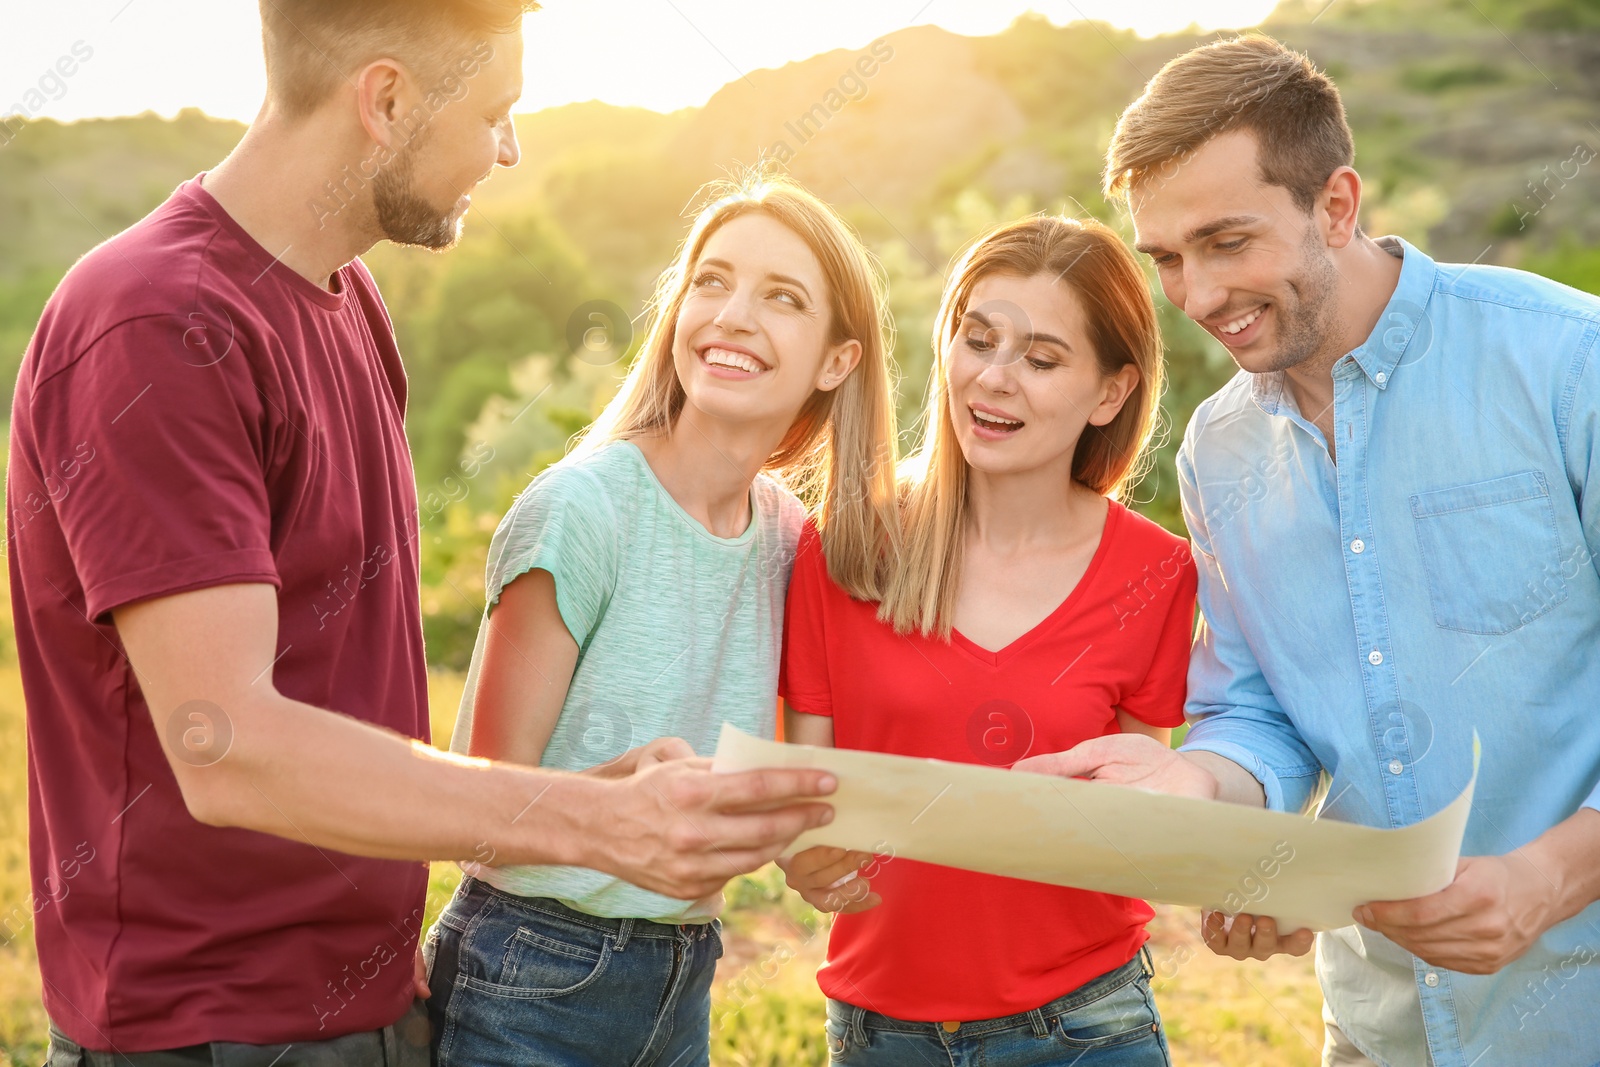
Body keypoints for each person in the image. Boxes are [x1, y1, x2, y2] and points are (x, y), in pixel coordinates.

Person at [8, 3, 835, 1061]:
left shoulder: (350, 305)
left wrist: (578, 794)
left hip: (374, 1005)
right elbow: (228, 748)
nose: (509, 147)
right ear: (387, 101)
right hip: (209, 1031)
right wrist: (592, 824)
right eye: (496, 112)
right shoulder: (157, 324)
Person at [1023, 34, 1600, 1067]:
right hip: (1378, 1027)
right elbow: (1260, 707)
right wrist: (1201, 796)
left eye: (1226, 241)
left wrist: (1550, 876)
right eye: (1165, 257)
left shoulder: (1568, 364)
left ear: (1336, 205)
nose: (1195, 296)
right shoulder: (1219, 449)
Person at [422, 172, 899, 1066]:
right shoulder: (583, 510)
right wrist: (622, 788)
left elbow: (789, 787)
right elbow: (472, 812)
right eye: (710, 281)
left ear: (838, 361)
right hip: (529, 964)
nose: (731, 314)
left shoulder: (793, 544)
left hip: (681, 970)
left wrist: (814, 851)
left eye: (782, 297)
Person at [777, 215, 1196, 1066]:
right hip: (879, 1033)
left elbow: (1132, 815)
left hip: (1086, 1027)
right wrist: (802, 850)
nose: (994, 379)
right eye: (978, 340)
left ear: (1110, 393)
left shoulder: (1158, 573)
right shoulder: (847, 543)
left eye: (1041, 360)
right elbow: (805, 794)